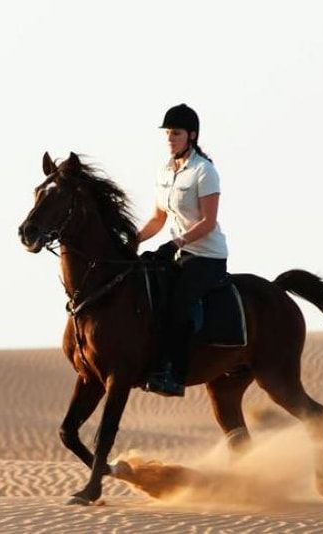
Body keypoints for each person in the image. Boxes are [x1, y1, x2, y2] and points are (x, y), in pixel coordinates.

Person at [138, 103, 229, 397]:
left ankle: (174, 375)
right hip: (177, 253)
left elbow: (208, 221)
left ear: (191, 135)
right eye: (167, 133)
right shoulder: (164, 172)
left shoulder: (204, 171)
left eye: (175, 133)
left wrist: (176, 242)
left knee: (178, 304)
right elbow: (157, 218)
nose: (169, 138)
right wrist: (133, 240)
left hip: (206, 257)